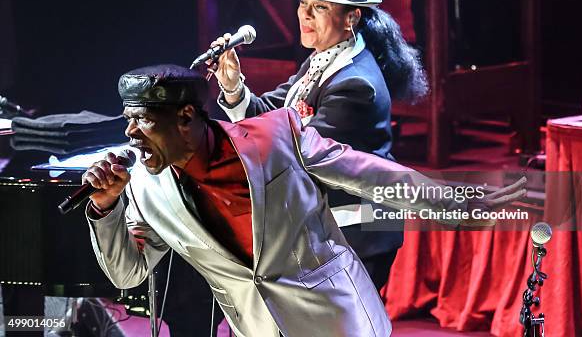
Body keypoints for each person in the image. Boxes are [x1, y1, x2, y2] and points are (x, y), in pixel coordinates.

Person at [83, 64, 526, 337]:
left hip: (333, 317)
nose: (130, 134)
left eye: (142, 121)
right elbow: (128, 271)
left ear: (185, 118)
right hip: (257, 327)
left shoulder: (275, 136)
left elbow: (368, 174)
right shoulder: (143, 185)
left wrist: (454, 199)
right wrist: (105, 209)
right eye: (128, 121)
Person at [213, 0, 427, 290]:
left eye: (320, 7)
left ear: (352, 18)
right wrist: (233, 86)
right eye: (303, 3)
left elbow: (299, 154)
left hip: (354, 236)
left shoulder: (356, 85)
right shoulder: (324, 59)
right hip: (324, 230)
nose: (305, 15)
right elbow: (274, 113)